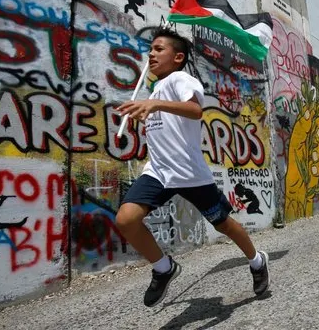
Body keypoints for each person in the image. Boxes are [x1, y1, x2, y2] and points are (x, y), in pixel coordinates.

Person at [115, 28, 270, 307]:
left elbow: (196, 110)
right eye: (150, 49)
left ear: (178, 57)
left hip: (190, 174)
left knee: (225, 225)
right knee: (126, 219)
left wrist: (154, 104)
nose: (151, 53)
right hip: (160, 171)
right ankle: (164, 268)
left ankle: (257, 261)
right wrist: (145, 113)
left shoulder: (180, 79)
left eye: (159, 49)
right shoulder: (156, 89)